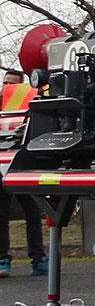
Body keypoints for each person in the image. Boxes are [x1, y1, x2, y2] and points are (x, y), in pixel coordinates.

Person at [1, 68, 47, 277]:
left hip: (21, 164)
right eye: (6, 83)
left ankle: (38, 259)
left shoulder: (31, 103)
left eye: (14, 83)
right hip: (0, 165)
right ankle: (2, 260)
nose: (10, 87)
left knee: (33, 211)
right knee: (1, 215)